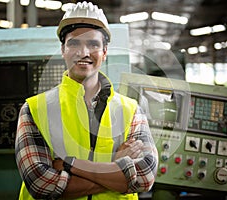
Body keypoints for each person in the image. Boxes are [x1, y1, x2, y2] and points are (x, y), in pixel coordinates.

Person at [15, 1, 158, 200]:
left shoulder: (131, 110)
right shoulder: (34, 109)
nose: (84, 53)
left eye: (93, 44)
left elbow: (144, 177)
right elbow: (41, 185)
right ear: (63, 50)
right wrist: (115, 168)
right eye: (74, 43)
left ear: (104, 52)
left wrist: (68, 165)